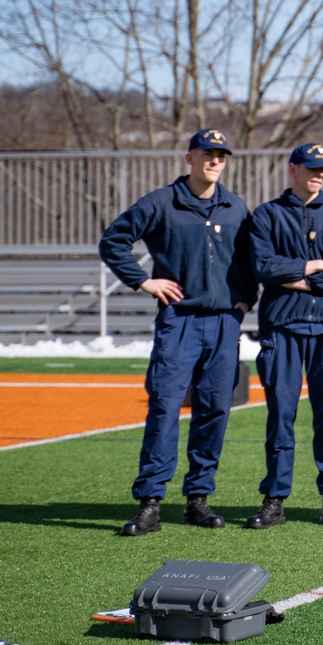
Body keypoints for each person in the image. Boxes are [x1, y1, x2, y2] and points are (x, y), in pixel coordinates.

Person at [99, 129, 257, 536]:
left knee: (215, 409)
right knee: (165, 408)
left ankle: (197, 500)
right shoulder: (160, 202)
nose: (215, 161)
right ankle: (150, 502)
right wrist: (143, 282)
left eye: (221, 155)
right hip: (179, 322)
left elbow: (249, 260)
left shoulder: (235, 207)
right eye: (207, 153)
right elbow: (114, 240)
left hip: (224, 323)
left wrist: (245, 299)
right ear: (190, 157)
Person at [246, 144, 323, 528]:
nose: (318, 175)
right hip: (283, 328)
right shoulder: (266, 215)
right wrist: (311, 267)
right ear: (292, 169)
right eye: (311, 168)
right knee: (281, 414)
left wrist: (291, 280)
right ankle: (275, 497)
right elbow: (262, 267)